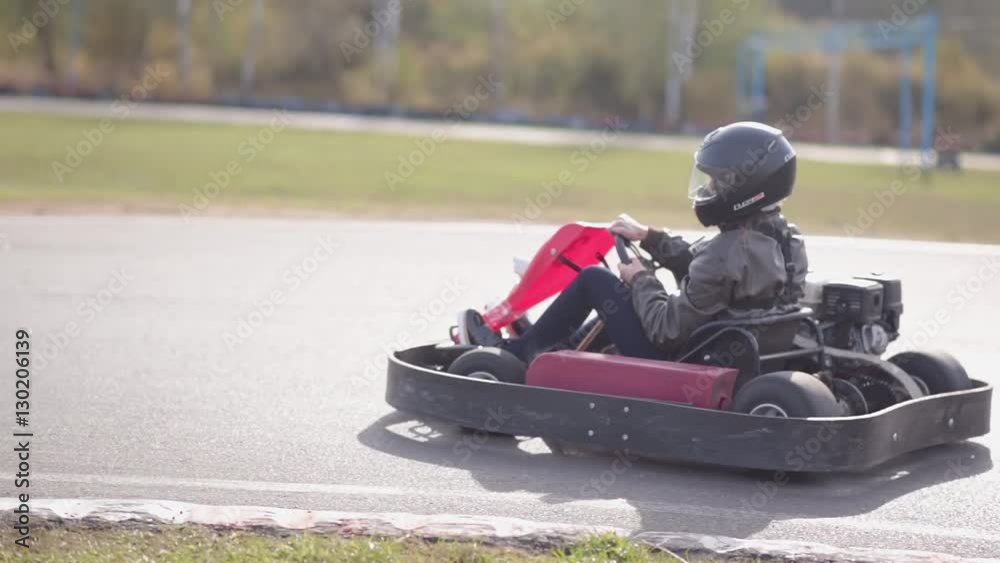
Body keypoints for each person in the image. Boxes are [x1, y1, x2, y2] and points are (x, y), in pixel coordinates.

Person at [462, 121, 808, 363]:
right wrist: (650, 238)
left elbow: (664, 329)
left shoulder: (726, 253)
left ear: (741, 188)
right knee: (621, 296)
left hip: (678, 356)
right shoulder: (785, 241)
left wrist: (641, 278)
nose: (707, 191)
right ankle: (553, 344)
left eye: (716, 183)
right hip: (732, 346)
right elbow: (708, 269)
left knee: (597, 281)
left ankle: (517, 357)